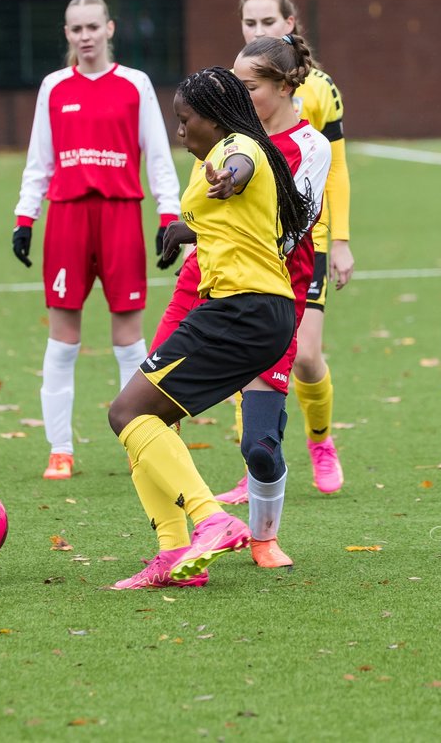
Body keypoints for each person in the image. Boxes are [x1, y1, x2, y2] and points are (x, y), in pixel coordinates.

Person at [106, 66, 314, 590]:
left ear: (214, 119)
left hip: (239, 312)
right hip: (254, 313)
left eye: (186, 119)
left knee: (127, 411)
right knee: (145, 422)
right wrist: (185, 229)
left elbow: (239, 166)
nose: (180, 130)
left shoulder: (235, 147)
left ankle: (211, 521)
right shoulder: (210, 160)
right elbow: (232, 218)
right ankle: (174, 556)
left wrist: (234, 175)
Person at [148, 35, 329, 569]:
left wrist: (234, 194)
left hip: (268, 294)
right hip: (201, 285)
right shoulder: (214, 136)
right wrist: (186, 232)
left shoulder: (307, 146)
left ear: (284, 85)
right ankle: (176, 545)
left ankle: (263, 538)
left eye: (248, 86)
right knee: (146, 412)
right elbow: (211, 209)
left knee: (259, 447)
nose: (238, 94)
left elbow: (288, 221)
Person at [12, 0, 181, 480]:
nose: (85, 36)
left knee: (129, 337)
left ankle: (138, 441)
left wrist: (168, 216)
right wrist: (26, 218)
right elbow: (39, 160)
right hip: (66, 218)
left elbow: (158, 156)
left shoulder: (135, 85)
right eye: (75, 29)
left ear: (110, 28)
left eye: (92, 27)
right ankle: (59, 449)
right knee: (63, 338)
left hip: (120, 215)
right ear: (67, 34)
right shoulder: (54, 87)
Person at [220, 0, 355, 497]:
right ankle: (254, 461)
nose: (259, 29)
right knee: (246, 352)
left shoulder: (319, 90)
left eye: (268, 21)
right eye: (249, 22)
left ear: (290, 24)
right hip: (251, 243)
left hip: (307, 240)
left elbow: (336, 167)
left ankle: (320, 440)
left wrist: (339, 239)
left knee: (303, 356)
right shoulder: (239, 85)